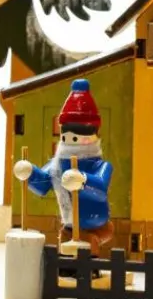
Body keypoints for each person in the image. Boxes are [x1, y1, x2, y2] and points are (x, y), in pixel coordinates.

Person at [26, 78, 115, 255]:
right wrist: (29, 173)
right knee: (66, 252)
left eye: (77, 136)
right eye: (66, 136)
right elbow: (42, 185)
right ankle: (66, 266)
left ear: (93, 134)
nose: (71, 141)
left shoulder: (101, 166)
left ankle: (89, 266)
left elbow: (100, 188)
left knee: (87, 251)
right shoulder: (57, 165)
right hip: (68, 227)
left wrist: (83, 180)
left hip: (95, 226)